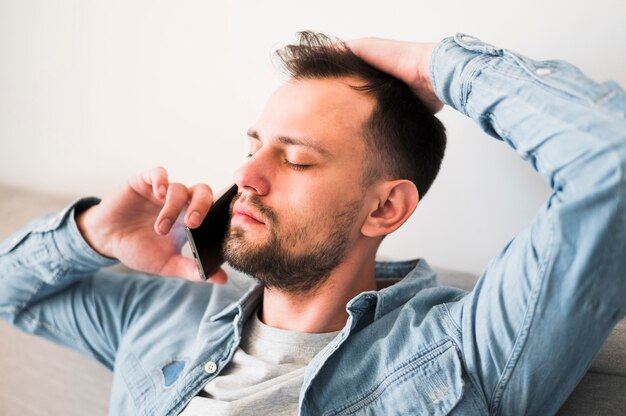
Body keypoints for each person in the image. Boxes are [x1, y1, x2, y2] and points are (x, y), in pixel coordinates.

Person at [1, 31, 625, 415]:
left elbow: (612, 161)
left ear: (386, 208)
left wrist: (437, 63)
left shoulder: (463, 351)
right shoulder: (166, 313)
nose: (248, 175)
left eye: (296, 158)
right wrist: (91, 236)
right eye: (254, 145)